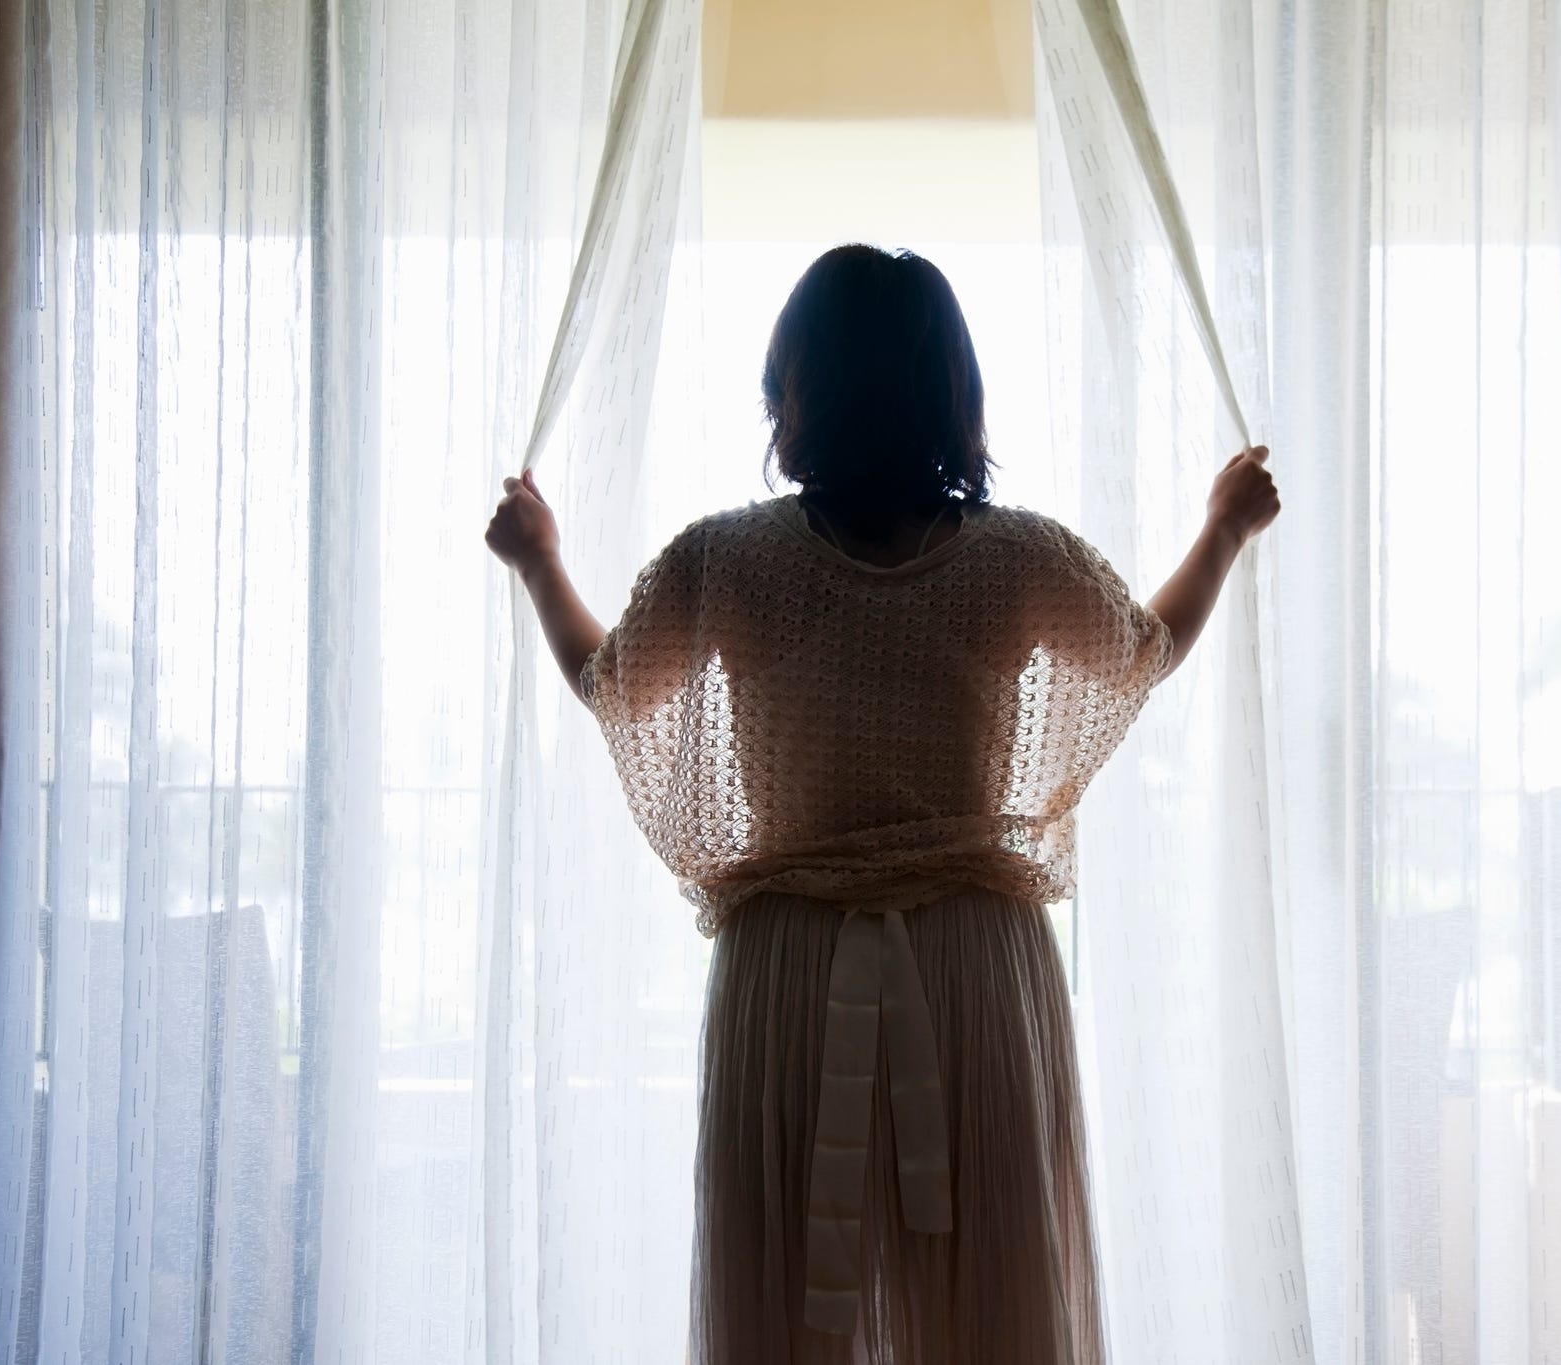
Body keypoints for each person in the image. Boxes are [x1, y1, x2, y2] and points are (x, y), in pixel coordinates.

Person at [484, 243, 1279, 1364]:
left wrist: (538, 563)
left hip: (791, 972)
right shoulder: (1020, 562)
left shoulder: (725, 560)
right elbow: (1146, 652)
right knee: (994, 1309)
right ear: (957, 394)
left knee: (780, 1317)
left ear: (787, 392)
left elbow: (610, 684)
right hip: (975, 969)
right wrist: (1224, 532)